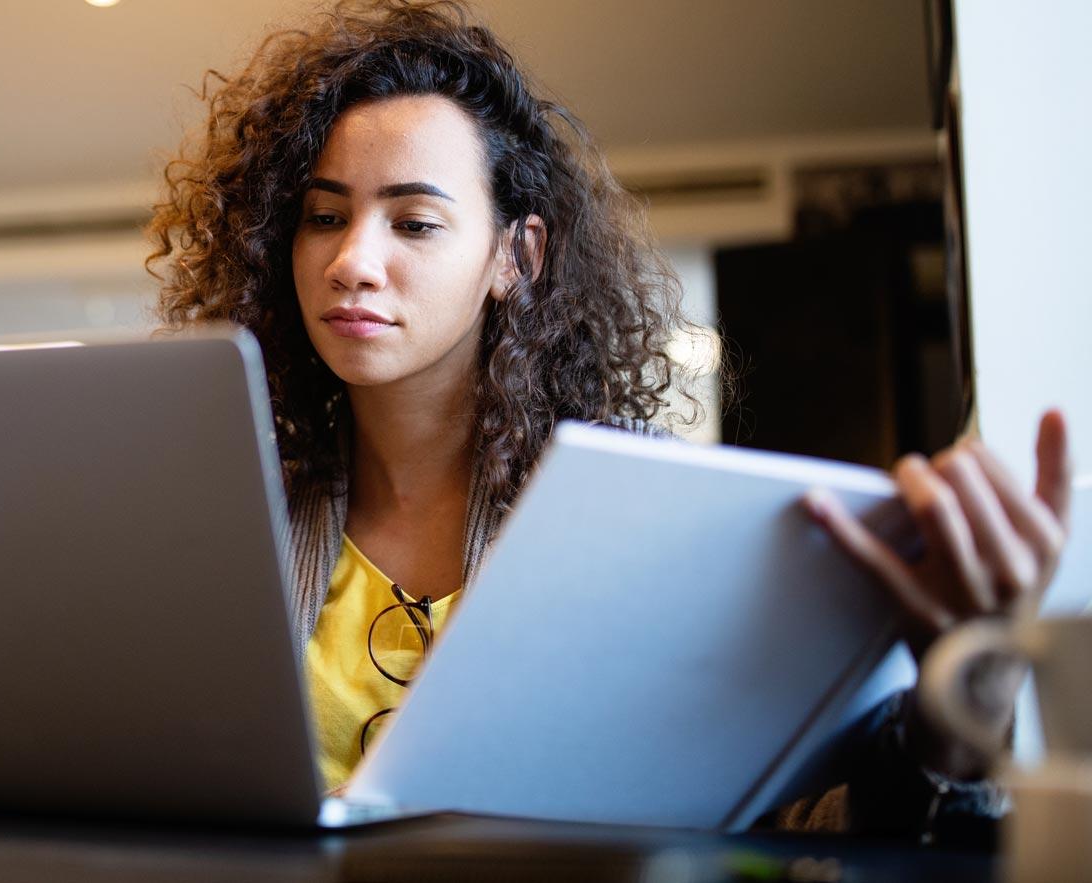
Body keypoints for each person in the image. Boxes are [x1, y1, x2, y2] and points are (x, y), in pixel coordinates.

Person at [146, 0, 1073, 842]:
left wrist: (961, 710)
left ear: (517, 253)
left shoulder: (637, 536)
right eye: (322, 215)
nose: (353, 260)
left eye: (415, 222)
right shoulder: (227, 527)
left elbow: (793, 826)